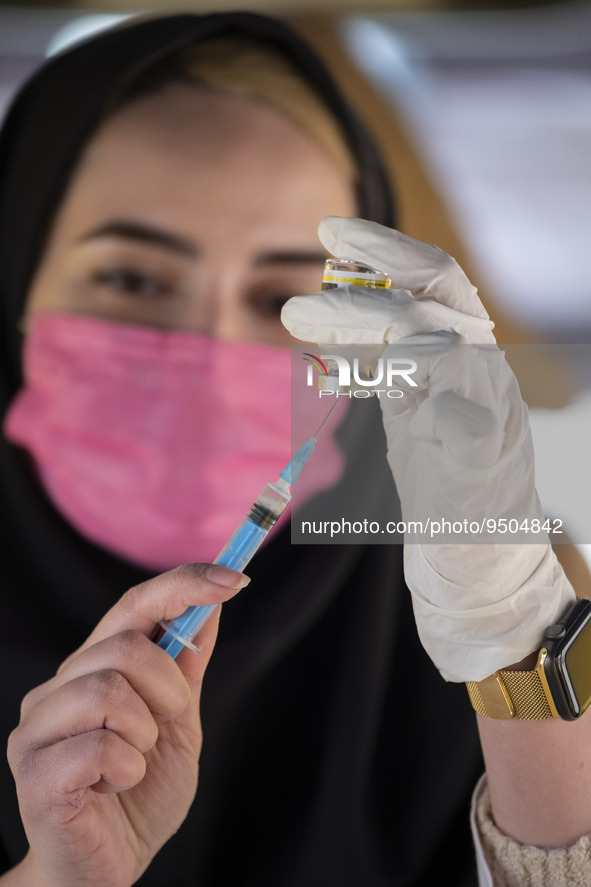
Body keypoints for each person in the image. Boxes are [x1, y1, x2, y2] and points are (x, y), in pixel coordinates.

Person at [0, 11, 589, 887]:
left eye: (282, 295)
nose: (207, 355)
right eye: (131, 276)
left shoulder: (497, 592)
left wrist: (515, 657)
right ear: (14, 278)